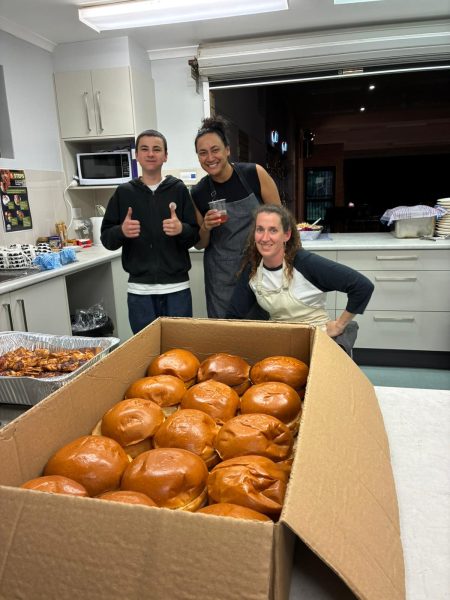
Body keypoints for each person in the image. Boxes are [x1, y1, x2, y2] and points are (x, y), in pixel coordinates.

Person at [227, 205, 374, 355]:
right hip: (280, 344)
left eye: (273, 230)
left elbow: (362, 286)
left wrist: (339, 326)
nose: (265, 238)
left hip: (317, 342)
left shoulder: (305, 263)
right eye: (260, 229)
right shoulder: (253, 270)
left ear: (287, 235)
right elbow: (233, 315)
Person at [101, 129, 200, 334]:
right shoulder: (124, 193)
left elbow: (195, 236)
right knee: (145, 353)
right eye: (144, 149)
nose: (151, 154)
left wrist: (181, 229)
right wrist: (121, 231)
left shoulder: (179, 190)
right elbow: (107, 239)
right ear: (136, 155)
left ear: (165, 155)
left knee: (179, 350)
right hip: (139, 292)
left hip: (177, 289)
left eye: (157, 149)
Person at [190, 116, 281, 318]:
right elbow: (200, 244)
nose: (210, 157)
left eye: (215, 150)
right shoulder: (198, 192)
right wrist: (206, 226)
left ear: (227, 150)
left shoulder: (254, 174)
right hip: (221, 276)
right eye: (202, 153)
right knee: (225, 331)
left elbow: (280, 220)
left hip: (259, 268)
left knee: (261, 329)